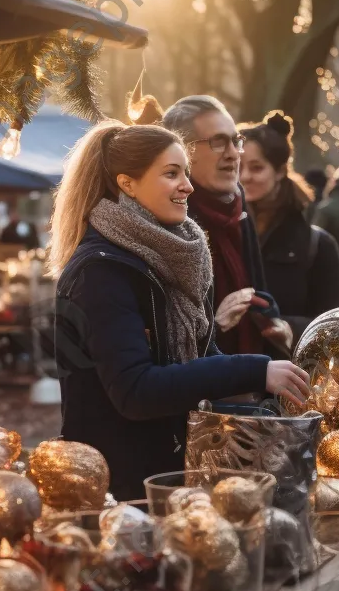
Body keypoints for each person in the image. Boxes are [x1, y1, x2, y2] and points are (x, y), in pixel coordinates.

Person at [51, 120, 311, 500]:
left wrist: (254, 387)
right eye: (171, 174)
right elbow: (135, 390)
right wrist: (253, 369)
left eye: (185, 173)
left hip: (171, 470)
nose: (187, 185)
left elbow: (197, 356)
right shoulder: (102, 270)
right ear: (127, 184)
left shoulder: (177, 255)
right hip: (118, 487)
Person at [161, 94, 292, 356]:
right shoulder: (165, 221)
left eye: (236, 141)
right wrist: (215, 326)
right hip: (198, 388)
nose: (234, 155)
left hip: (254, 384)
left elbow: (258, 290)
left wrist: (273, 322)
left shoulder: (239, 209)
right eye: (218, 142)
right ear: (182, 151)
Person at [240, 111, 339, 344]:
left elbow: (336, 325)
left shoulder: (317, 245)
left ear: (279, 171)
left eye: (256, 167)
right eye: (236, 167)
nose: (244, 176)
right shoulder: (215, 236)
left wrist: (288, 327)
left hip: (291, 372)